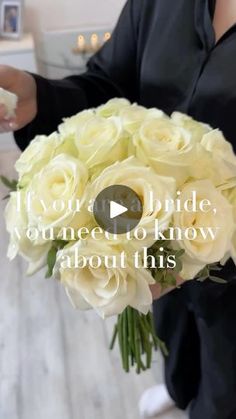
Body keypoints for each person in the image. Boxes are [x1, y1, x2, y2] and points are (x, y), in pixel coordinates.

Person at [0, 0, 236, 418]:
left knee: (225, 386)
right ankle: (178, 389)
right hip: (160, 249)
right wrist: (43, 97)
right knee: (172, 334)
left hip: (230, 273)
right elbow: (109, 84)